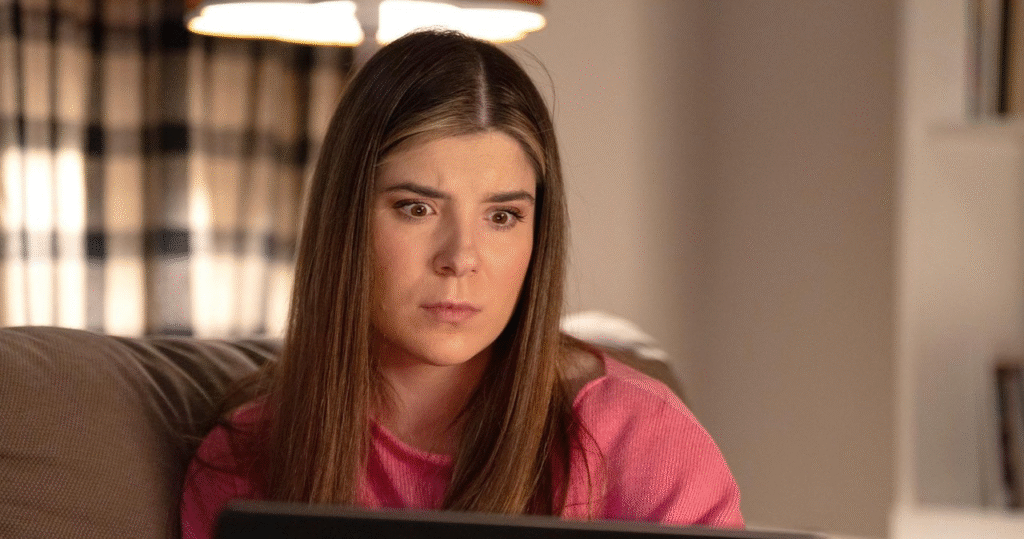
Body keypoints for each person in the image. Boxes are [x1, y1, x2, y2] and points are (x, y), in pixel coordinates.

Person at [179, 29, 743, 539]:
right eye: (417, 208)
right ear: (346, 221)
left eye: (502, 216)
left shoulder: (643, 440)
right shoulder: (247, 456)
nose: (460, 258)